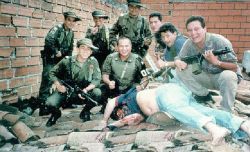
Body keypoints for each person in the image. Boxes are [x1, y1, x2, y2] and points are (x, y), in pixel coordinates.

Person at [99, 83, 250, 146]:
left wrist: (104, 121)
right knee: (202, 112)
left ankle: (214, 129)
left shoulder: (125, 98)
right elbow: (120, 123)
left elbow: (111, 101)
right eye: (121, 118)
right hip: (177, 100)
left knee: (176, 108)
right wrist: (116, 124)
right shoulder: (131, 117)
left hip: (165, 93)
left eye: (120, 113)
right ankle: (242, 125)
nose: (123, 115)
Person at [174, 16, 242, 112]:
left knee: (229, 76)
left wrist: (216, 62)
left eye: (197, 29)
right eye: (190, 30)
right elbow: (179, 58)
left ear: (205, 29)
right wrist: (178, 62)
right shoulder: (189, 43)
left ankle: (227, 111)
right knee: (180, 70)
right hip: (205, 76)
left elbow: (234, 68)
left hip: (221, 78)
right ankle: (204, 96)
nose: (193, 33)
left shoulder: (219, 41)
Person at [45, 38, 102, 126]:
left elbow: (97, 79)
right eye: (83, 48)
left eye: (88, 49)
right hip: (66, 91)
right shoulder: (67, 60)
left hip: (83, 92)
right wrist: (58, 85)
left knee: (97, 93)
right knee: (49, 103)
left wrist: (86, 90)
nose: (85, 51)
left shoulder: (93, 62)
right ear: (77, 49)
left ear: (91, 52)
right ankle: (56, 114)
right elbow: (52, 73)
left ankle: (85, 112)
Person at [39, 11, 81, 114]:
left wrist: (70, 61)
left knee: (67, 80)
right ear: (65, 20)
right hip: (51, 59)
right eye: (69, 20)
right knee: (48, 80)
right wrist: (55, 51)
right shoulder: (57, 29)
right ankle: (43, 106)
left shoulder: (71, 32)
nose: (71, 23)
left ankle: (65, 102)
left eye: (73, 21)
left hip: (61, 61)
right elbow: (48, 41)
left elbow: (70, 48)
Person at [100, 36, 148, 113]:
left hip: (130, 87)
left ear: (131, 46)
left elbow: (145, 78)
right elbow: (105, 75)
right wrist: (109, 82)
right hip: (115, 87)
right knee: (100, 90)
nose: (124, 49)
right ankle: (105, 105)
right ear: (117, 47)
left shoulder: (138, 59)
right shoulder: (110, 57)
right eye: (121, 46)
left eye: (126, 46)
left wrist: (142, 86)